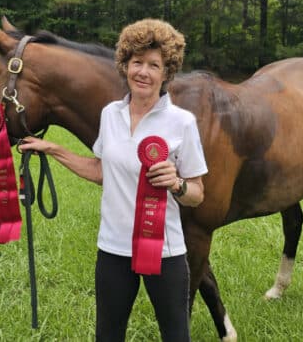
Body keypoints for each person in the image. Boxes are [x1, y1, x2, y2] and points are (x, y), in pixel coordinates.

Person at [20, 19, 208, 342]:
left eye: (154, 65)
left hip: (165, 252)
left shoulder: (183, 123)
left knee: (176, 336)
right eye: (137, 62)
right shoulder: (110, 115)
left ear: (167, 72)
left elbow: (198, 194)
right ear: (124, 65)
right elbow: (100, 170)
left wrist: (177, 184)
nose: (143, 72)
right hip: (113, 248)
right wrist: (51, 149)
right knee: (108, 335)